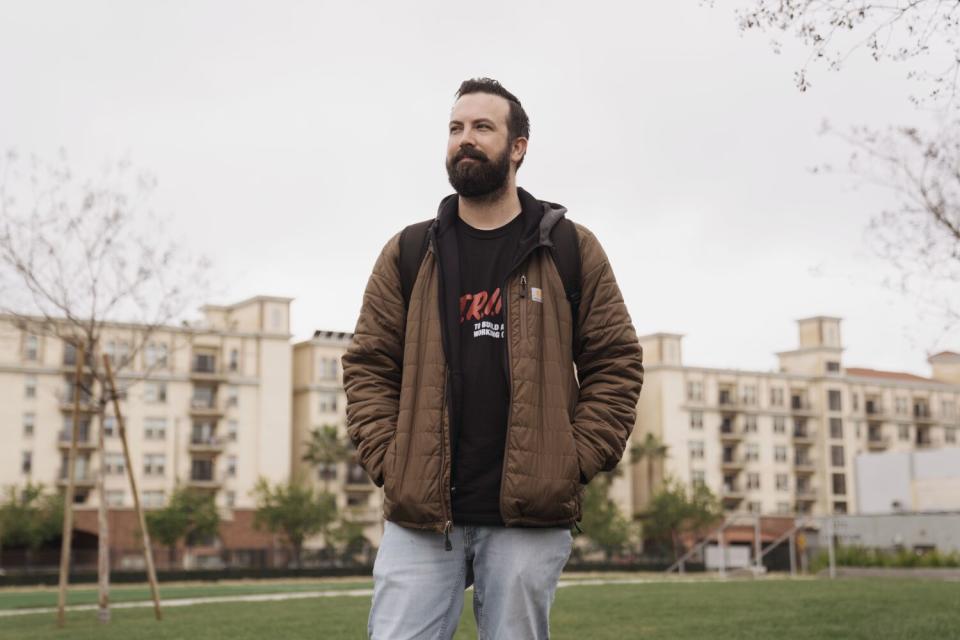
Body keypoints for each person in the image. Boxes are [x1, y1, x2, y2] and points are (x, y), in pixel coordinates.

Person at [342, 77, 644, 639]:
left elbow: (616, 362)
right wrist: (392, 458)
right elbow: (367, 367)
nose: (465, 139)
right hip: (422, 516)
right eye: (455, 128)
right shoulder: (409, 252)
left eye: (482, 127)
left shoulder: (571, 249)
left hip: (527, 518)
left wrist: (570, 461)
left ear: (518, 146)